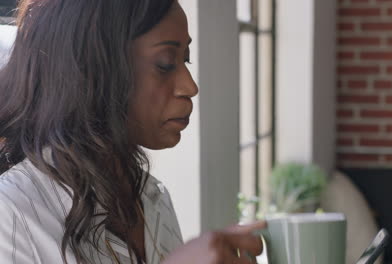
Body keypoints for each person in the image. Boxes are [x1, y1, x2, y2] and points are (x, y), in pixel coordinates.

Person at [0, 0, 264, 263]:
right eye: (165, 64)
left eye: (186, 60)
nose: (190, 86)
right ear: (93, 70)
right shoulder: (11, 212)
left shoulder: (152, 198)